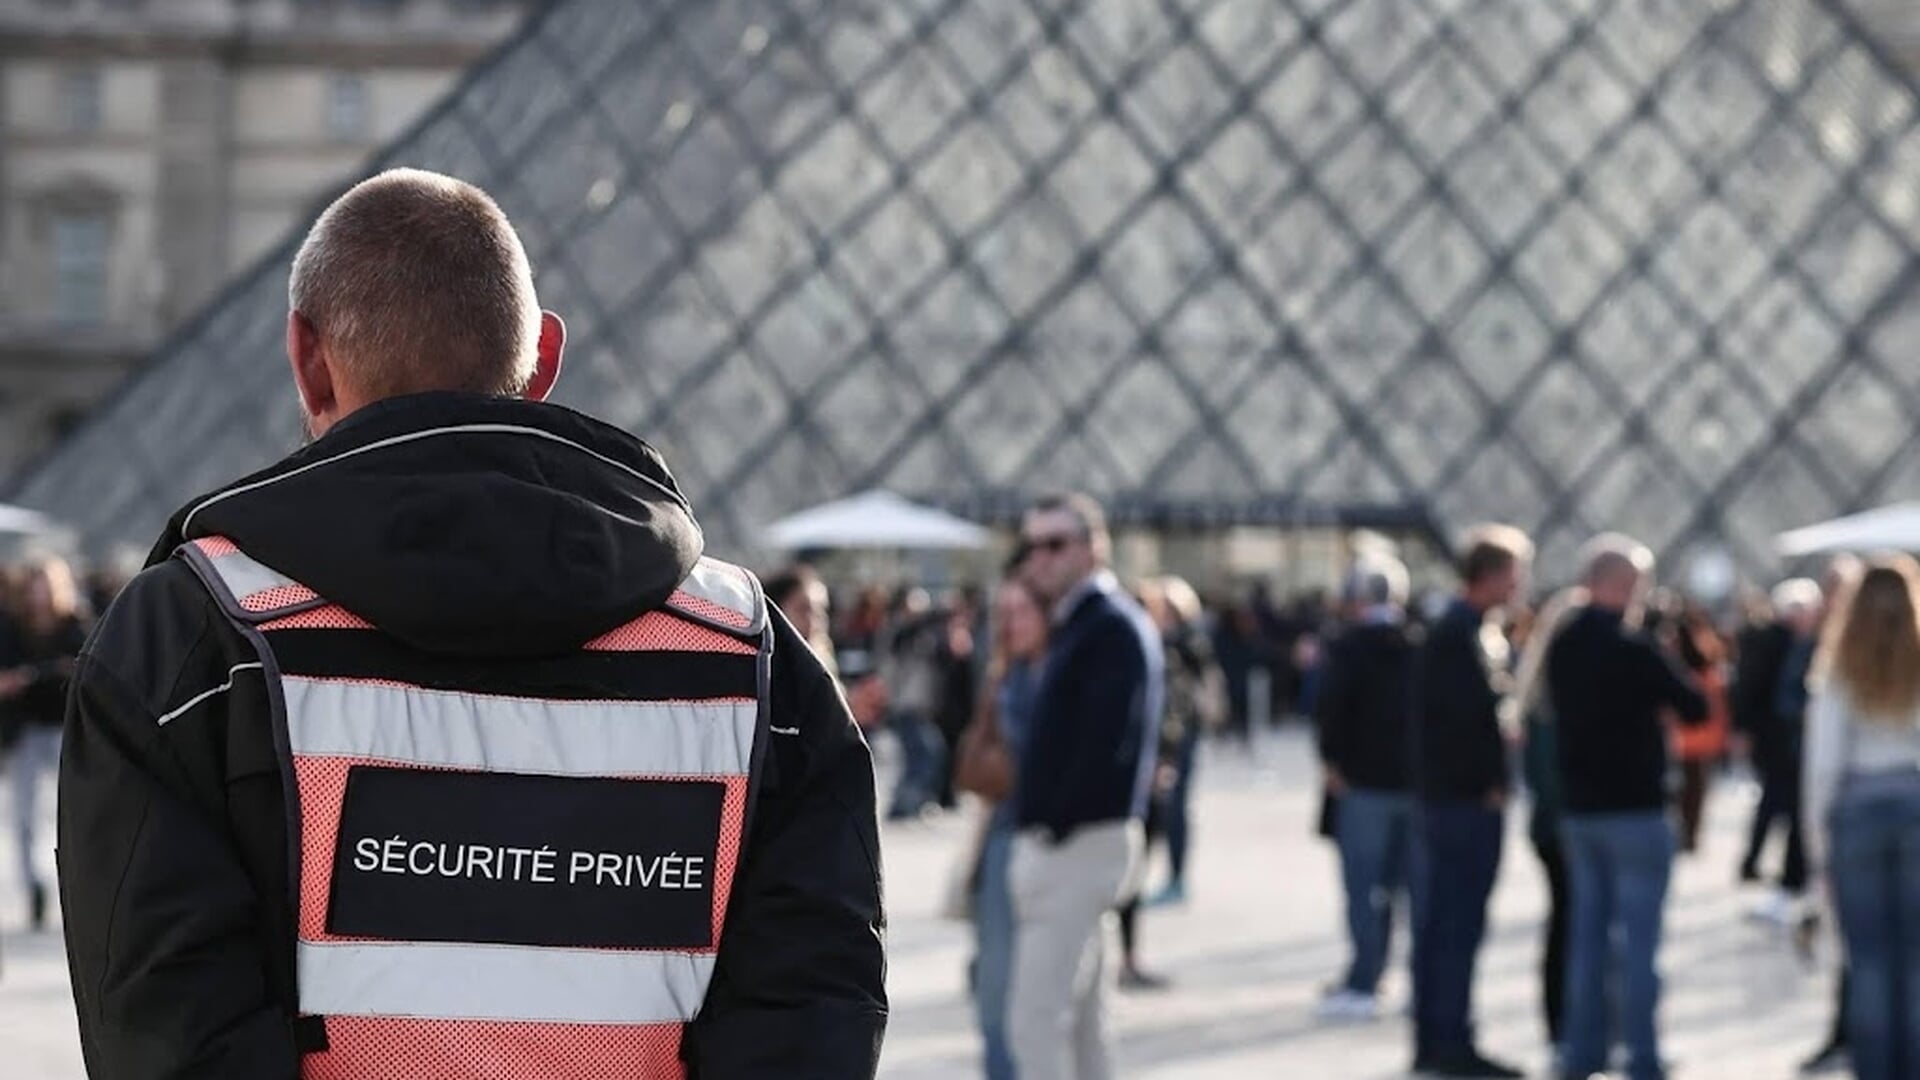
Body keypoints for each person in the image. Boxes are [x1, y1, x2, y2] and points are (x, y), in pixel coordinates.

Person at [57, 169, 887, 1079]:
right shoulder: (751, 651)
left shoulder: (191, 637)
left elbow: (165, 1034)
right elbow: (811, 1021)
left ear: (306, 355)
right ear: (543, 360)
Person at [1007, 493, 1164, 1080]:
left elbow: (1106, 744)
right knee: (1085, 1026)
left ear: (1094, 548)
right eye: (1033, 545)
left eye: (1056, 543)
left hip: (1075, 845)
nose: (1040, 558)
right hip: (1084, 841)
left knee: (1035, 1021)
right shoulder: (1094, 623)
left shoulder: (1109, 626)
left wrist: (1050, 827)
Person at [1547, 535, 1707, 1080]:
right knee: (1640, 944)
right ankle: (1642, 1055)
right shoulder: (1635, 649)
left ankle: (1581, 1053)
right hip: (1636, 809)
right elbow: (1695, 704)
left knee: (1587, 940)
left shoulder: (1563, 642)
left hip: (1581, 810)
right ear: (1626, 585)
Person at [1408, 524, 1532, 1079]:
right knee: (1455, 923)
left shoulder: (1465, 630)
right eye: (1515, 572)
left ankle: (1441, 1037)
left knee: (1445, 925)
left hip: (1455, 799)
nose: (1520, 583)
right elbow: (1457, 722)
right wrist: (1486, 780)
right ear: (1491, 575)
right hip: (1462, 803)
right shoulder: (1458, 634)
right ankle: (1449, 1040)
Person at [1803, 556, 1920, 1080]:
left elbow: (1824, 763)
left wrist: (1816, 840)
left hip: (1857, 817)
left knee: (1868, 960)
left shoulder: (1840, 670)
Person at [1314, 552, 1419, 1023]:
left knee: (1363, 887)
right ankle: (1414, 982)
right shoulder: (1420, 643)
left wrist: (1332, 761)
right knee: (1408, 889)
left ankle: (1365, 978)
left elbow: (1329, 707)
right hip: (1413, 783)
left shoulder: (1346, 646)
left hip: (1362, 783)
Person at [964, 570, 1048, 1080]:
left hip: (1050, 838)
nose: (1012, 624)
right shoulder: (1005, 676)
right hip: (1004, 832)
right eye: (1005, 614)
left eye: (1023, 612)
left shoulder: (1060, 675)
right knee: (994, 977)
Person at [1513, 588, 1589, 1057]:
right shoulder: (1558, 704)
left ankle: (1562, 1024)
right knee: (1572, 924)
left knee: (1564, 922)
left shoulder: (1537, 699)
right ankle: (1567, 1024)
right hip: (1567, 828)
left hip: (1550, 827)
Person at [3, 556, 89, 931]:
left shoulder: (74, 625)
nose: (39, 596)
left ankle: (76, 888)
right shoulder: (11, 626)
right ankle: (33, 886)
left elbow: (85, 669)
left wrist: (38, 673)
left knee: (71, 814)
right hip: (23, 730)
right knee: (23, 818)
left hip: (62, 730)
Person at [1736, 579, 1820, 905]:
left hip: (1781, 738)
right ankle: (1781, 870)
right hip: (1779, 738)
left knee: (1775, 802)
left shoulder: (1787, 642)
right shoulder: (1777, 643)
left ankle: (1772, 865)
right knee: (1780, 801)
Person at [1146, 575, 1222, 908]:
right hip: (1164, 733)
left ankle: (1176, 876)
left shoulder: (1185, 642)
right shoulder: (1162, 638)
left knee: (1174, 806)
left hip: (1181, 733)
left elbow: (1196, 688)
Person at [1670, 604, 1731, 854]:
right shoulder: (1704, 651)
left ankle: (1685, 834)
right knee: (1693, 788)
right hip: (1696, 735)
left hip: (1684, 735)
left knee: (1685, 787)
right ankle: (1688, 835)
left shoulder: (1675, 653)